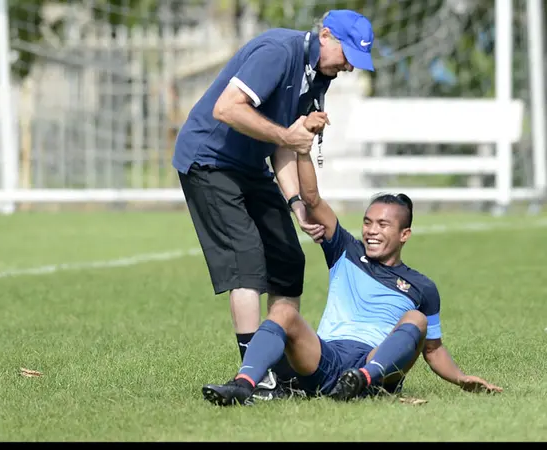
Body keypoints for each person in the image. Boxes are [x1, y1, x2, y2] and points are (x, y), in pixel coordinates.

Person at [201, 113, 503, 405]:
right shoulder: (346, 250)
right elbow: (313, 200)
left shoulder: (422, 287)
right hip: (326, 357)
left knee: (417, 319)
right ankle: (244, 386)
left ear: (404, 235)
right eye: (368, 222)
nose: (371, 231)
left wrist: (461, 378)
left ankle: (361, 381)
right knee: (283, 311)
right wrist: (303, 152)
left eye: (382, 225)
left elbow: (433, 350)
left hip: (375, 364)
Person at [171, 9, 374, 392]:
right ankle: (257, 375)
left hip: (250, 165)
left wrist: (296, 204)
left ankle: (279, 367)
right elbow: (227, 108)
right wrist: (286, 137)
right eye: (348, 55)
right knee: (247, 261)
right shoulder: (278, 52)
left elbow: (284, 144)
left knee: (287, 257)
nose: (350, 67)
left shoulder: (319, 77)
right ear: (326, 35)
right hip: (208, 160)